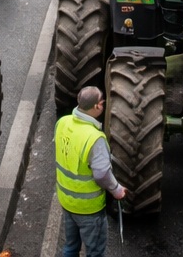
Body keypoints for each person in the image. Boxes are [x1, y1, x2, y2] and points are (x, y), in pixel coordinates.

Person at [55, 86, 128, 257]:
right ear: (96, 107)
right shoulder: (94, 138)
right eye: (102, 103)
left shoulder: (62, 123)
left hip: (67, 201)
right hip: (89, 210)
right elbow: (102, 174)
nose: (103, 106)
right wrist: (117, 190)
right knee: (95, 252)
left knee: (71, 247)